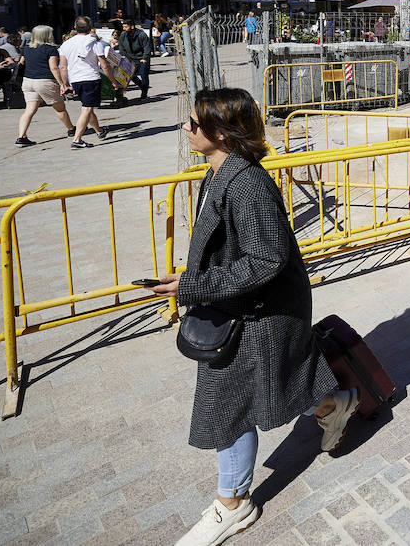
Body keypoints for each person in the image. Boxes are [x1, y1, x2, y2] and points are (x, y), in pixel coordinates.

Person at [144, 88, 353, 546]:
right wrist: (193, 280)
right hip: (244, 308)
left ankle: (234, 504)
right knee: (276, 388)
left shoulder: (247, 185)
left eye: (193, 123)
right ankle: (334, 406)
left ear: (221, 133)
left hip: (260, 315)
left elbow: (266, 259)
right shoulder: (219, 171)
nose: (186, 128)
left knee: (230, 406)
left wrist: (193, 286)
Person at [58, 16, 115, 149]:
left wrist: (65, 84)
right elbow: (105, 65)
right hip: (90, 78)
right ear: (90, 28)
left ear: (75, 27)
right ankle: (77, 139)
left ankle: (99, 131)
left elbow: (63, 67)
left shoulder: (66, 44)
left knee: (87, 107)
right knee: (87, 109)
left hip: (75, 80)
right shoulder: (95, 43)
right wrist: (113, 81)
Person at [15, 25, 75, 145]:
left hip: (28, 81)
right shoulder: (50, 49)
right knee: (60, 108)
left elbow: (21, 64)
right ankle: (71, 129)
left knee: (29, 110)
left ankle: (21, 137)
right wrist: (62, 84)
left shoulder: (26, 48)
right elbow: (54, 68)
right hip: (45, 81)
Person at [118, 18, 153, 101]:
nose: (124, 29)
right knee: (131, 75)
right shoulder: (123, 35)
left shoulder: (141, 34)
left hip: (142, 58)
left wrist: (144, 58)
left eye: (126, 27)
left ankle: (144, 94)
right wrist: (124, 57)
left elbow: (147, 47)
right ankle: (142, 86)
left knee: (144, 75)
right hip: (130, 58)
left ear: (132, 27)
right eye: (123, 27)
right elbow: (121, 48)